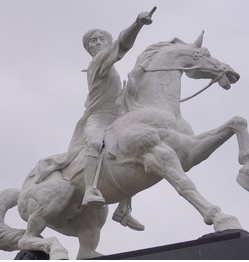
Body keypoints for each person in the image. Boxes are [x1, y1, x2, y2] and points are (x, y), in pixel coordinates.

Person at [33, 7, 156, 231]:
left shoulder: (112, 70)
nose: (97, 42)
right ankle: (90, 188)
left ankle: (123, 211)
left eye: (101, 39)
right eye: (93, 41)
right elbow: (123, 45)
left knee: (137, 147)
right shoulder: (97, 63)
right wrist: (137, 23)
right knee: (94, 143)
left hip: (116, 118)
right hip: (97, 119)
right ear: (89, 48)